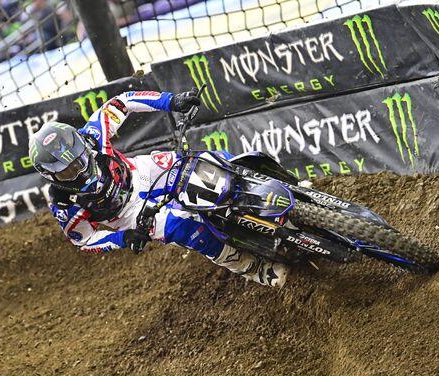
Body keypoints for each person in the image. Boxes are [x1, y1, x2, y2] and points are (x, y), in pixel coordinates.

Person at [28, 90, 289, 287]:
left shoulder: (94, 135)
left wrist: (171, 101)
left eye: (81, 157)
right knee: (184, 228)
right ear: (52, 176)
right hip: (128, 214)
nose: (82, 168)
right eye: (69, 171)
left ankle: (289, 188)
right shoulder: (63, 203)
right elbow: (84, 240)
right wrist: (123, 238)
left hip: (141, 172)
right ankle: (252, 268)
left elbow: (123, 102)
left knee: (210, 162)